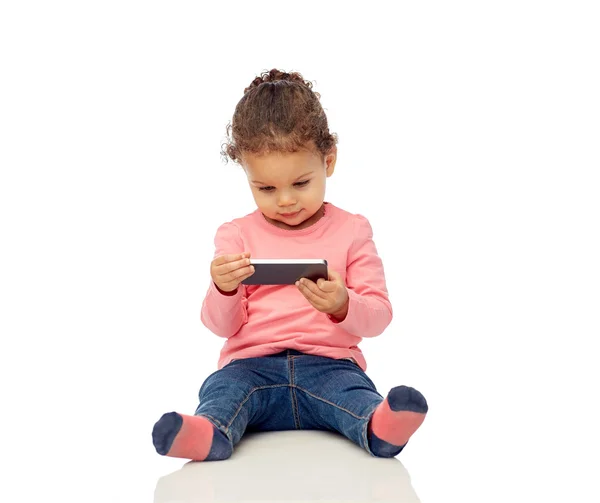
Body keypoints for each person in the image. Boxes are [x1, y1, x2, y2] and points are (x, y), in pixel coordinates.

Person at [152, 69, 428, 461]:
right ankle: (209, 433)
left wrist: (342, 304)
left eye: (301, 183)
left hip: (329, 366)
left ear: (328, 161)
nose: (285, 201)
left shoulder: (352, 229)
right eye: (265, 188)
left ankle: (379, 427)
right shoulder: (235, 235)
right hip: (250, 367)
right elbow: (220, 327)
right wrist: (224, 288)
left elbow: (380, 317)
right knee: (224, 390)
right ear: (247, 175)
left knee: (352, 394)